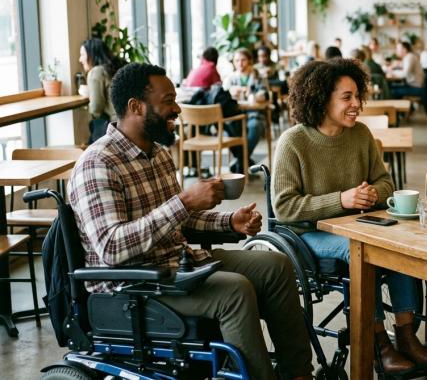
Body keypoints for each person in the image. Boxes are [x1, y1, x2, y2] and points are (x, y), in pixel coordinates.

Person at [68, 63, 313, 380]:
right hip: (132, 285)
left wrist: (230, 222)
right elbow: (112, 249)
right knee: (234, 291)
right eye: (168, 100)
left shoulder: (157, 154)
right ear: (135, 107)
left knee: (276, 267)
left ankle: (298, 374)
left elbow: (180, 221)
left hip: (178, 265)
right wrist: (183, 202)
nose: (177, 108)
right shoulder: (97, 164)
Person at [271, 58, 427, 374]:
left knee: (399, 243)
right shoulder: (293, 141)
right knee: (359, 252)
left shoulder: (361, 134)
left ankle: (406, 336)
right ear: (322, 98)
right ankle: (379, 342)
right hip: (309, 233)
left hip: (359, 224)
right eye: (347, 97)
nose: (357, 105)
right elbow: (285, 207)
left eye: (358, 96)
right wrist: (342, 200)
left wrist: (373, 193)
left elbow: (385, 181)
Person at [222, 48, 267, 173]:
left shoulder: (258, 76)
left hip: (254, 114)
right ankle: (244, 160)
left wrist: (252, 94)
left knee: (255, 126)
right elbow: (223, 97)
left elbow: (265, 95)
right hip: (235, 116)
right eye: (237, 61)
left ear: (250, 61)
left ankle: (240, 161)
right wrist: (230, 93)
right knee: (227, 130)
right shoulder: (230, 79)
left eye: (243, 60)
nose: (240, 64)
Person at [80, 38, 124, 144]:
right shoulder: (117, 67)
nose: (80, 59)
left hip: (115, 127)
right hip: (128, 122)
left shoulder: (96, 71)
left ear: (91, 55)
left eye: (82, 55)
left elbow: (96, 108)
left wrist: (90, 95)